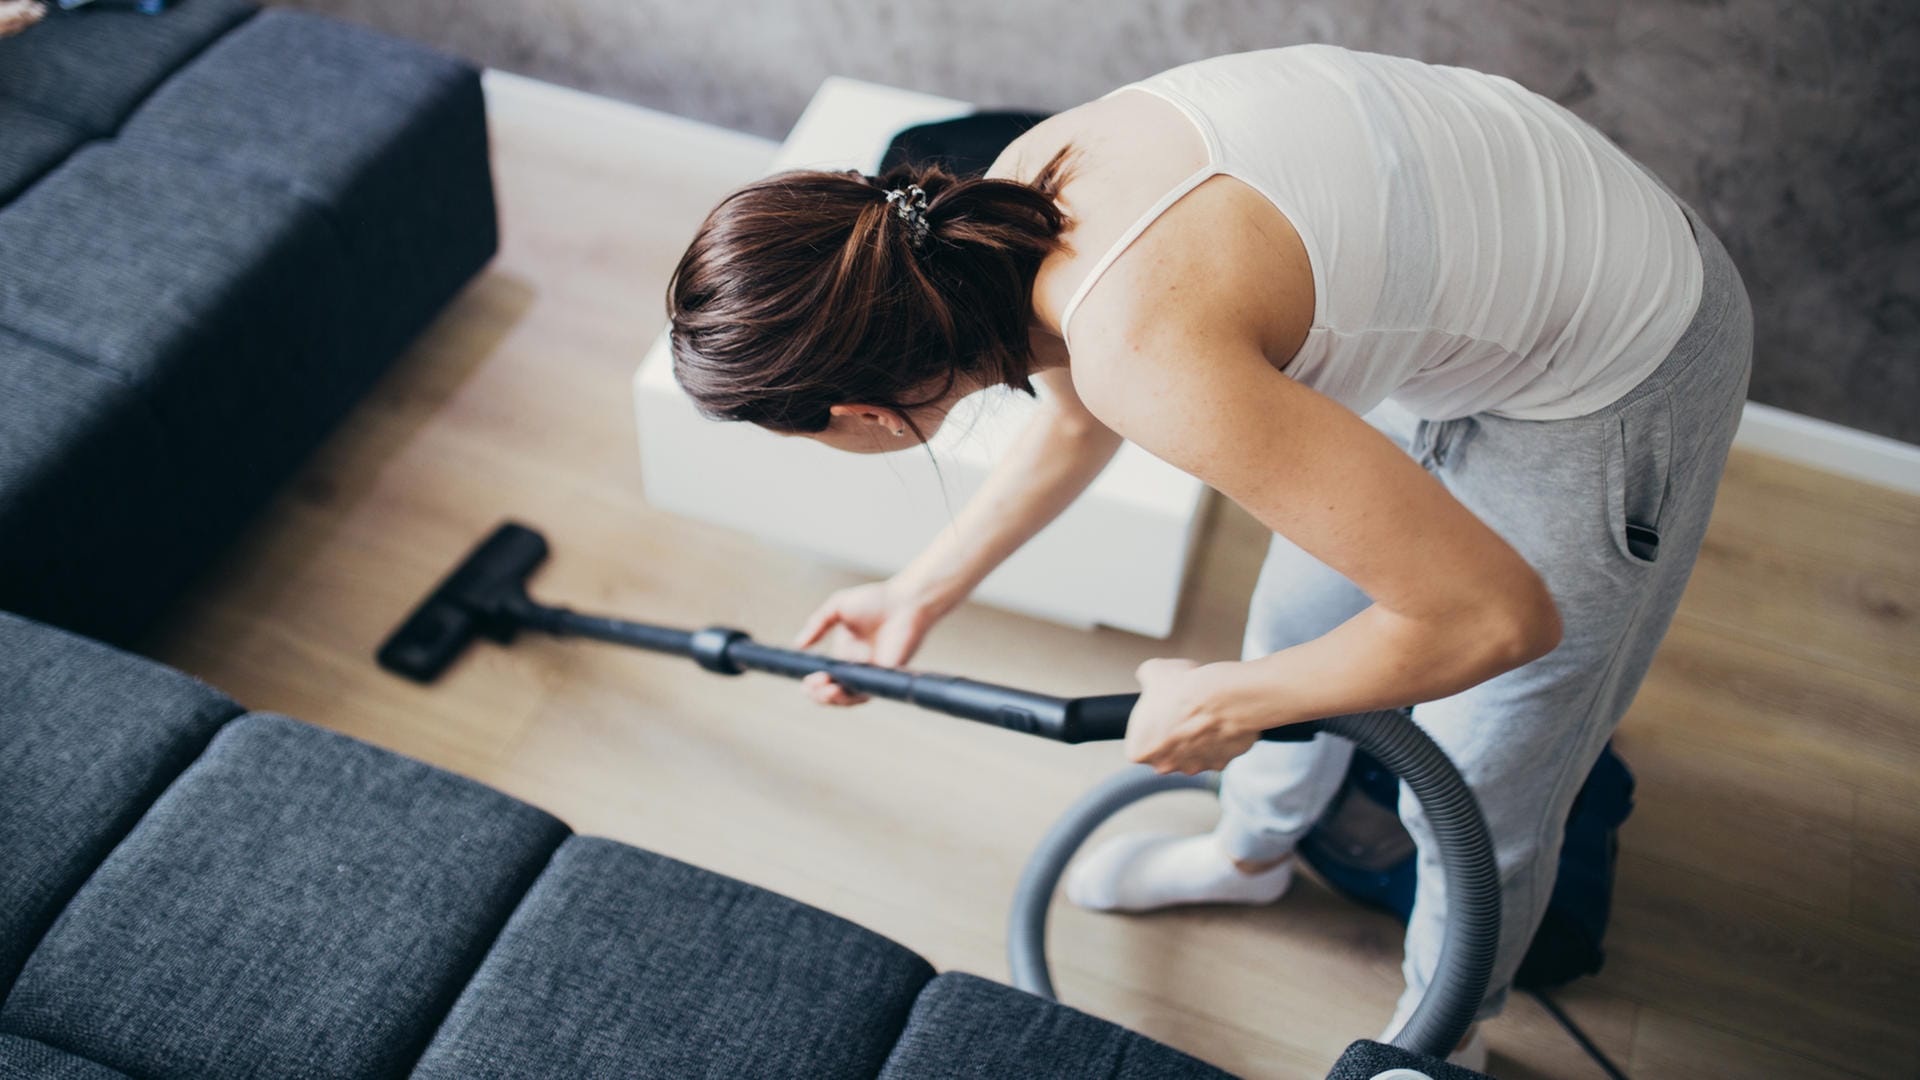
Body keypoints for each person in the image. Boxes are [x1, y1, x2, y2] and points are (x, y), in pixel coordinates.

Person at [664, 44, 1753, 1068]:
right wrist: (919, 590)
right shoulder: (987, 211)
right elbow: (1078, 420)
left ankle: (1446, 1036)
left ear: (855, 412)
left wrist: (1229, 704)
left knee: (1479, 776)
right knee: (1299, 627)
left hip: (1619, 363)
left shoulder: (1147, 350)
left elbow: (1495, 619)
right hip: (1482, 299)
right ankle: (1252, 859)